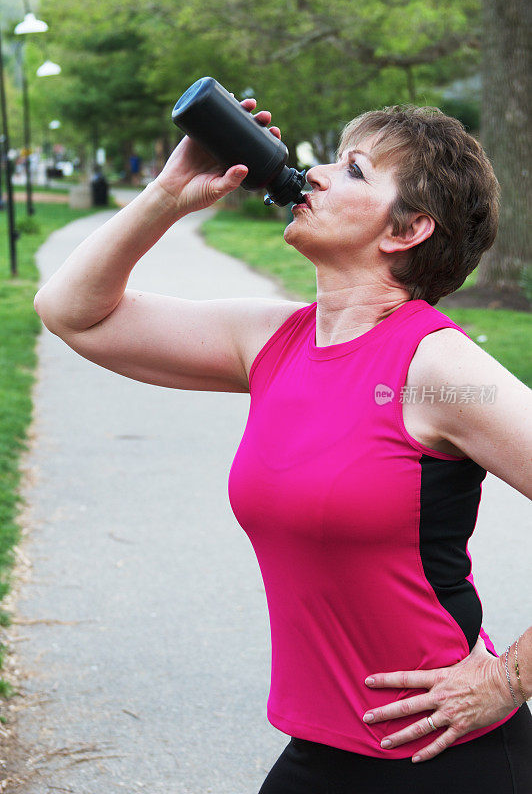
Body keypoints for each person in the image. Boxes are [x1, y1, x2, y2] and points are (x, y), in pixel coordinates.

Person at [33, 99, 532, 793]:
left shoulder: (436, 367)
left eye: (353, 169)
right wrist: (170, 195)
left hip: (447, 759)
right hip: (322, 748)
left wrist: (508, 676)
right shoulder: (271, 339)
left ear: (410, 228)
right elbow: (71, 312)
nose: (317, 174)